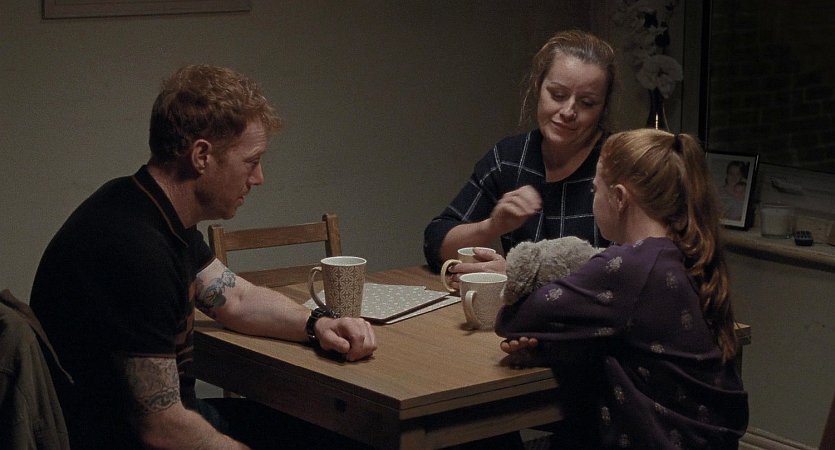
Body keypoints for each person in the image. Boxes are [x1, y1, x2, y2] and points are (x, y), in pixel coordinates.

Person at [30, 65, 377, 450]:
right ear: (201, 156)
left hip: (176, 422)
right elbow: (161, 428)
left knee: (339, 433)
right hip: (132, 440)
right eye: (251, 161)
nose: (258, 178)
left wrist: (318, 324)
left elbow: (237, 299)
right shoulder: (135, 249)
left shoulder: (149, 207)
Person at [495, 129, 749, 449]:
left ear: (618, 197)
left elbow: (514, 320)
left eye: (594, 189)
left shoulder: (631, 267)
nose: (593, 198)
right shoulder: (685, 252)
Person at [423, 29, 615, 277]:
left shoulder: (621, 165)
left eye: (587, 103)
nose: (568, 111)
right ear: (538, 87)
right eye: (557, 95)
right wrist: (493, 226)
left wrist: (519, 273)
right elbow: (435, 243)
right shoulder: (510, 158)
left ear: (603, 108)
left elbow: (632, 269)